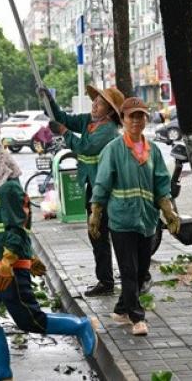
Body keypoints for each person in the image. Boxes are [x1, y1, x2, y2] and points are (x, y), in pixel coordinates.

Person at [0, 140, 97, 380]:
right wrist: (27, 256)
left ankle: (80, 325)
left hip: (7, 268)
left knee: (29, 319)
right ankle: (1, 370)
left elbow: (17, 227)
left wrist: (9, 262)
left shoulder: (8, 189)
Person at [90, 97, 180, 336]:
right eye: (132, 116)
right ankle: (136, 317)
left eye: (140, 116)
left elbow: (161, 183)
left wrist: (168, 210)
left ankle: (121, 308)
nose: (136, 121)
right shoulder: (113, 150)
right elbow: (101, 184)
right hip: (121, 219)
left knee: (141, 272)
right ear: (123, 119)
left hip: (147, 221)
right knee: (129, 270)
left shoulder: (153, 151)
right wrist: (96, 214)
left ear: (146, 119)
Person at [38, 85, 124, 297]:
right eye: (95, 101)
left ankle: (111, 280)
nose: (95, 105)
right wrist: (48, 100)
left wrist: (64, 132)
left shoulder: (108, 130)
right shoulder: (89, 121)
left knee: (103, 234)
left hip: (105, 189)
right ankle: (105, 279)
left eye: (101, 103)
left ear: (110, 111)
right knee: (96, 234)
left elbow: (84, 147)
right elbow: (64, 118)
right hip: (92, 185)